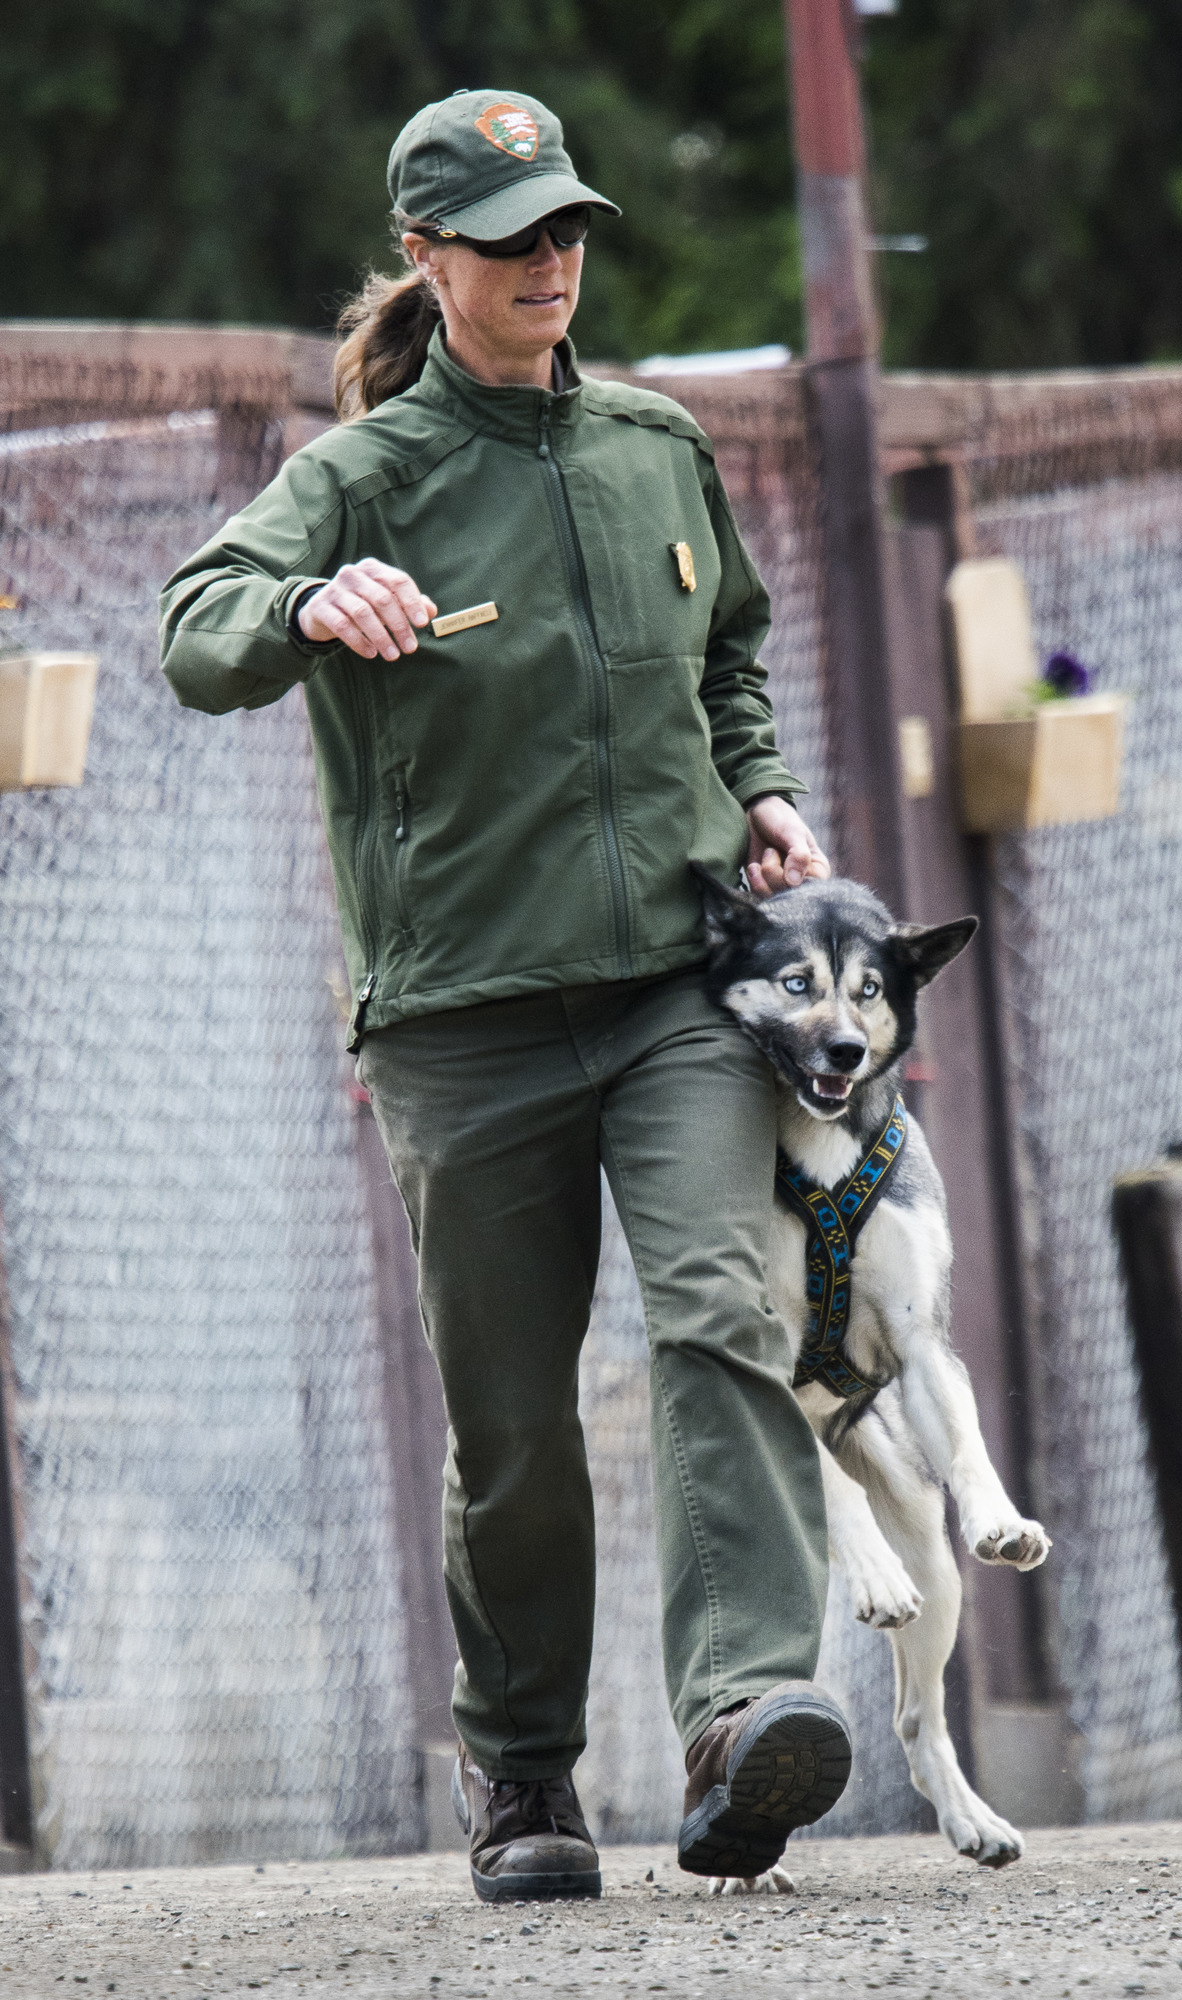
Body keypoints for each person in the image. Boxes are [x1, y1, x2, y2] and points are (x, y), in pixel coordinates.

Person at [160, 89, 850, 1903]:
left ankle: (742, 1714)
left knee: (717, 1314)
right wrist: (311, 606)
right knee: (518, 1426)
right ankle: (528, 1774)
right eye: (507, 235)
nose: (550, 261)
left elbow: (732, 653)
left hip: (676, 994)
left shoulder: (651, 445)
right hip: (462, 1018)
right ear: (425, 255)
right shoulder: (366, 477)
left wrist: (761, 786)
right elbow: (193, 626)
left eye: (565, 229)